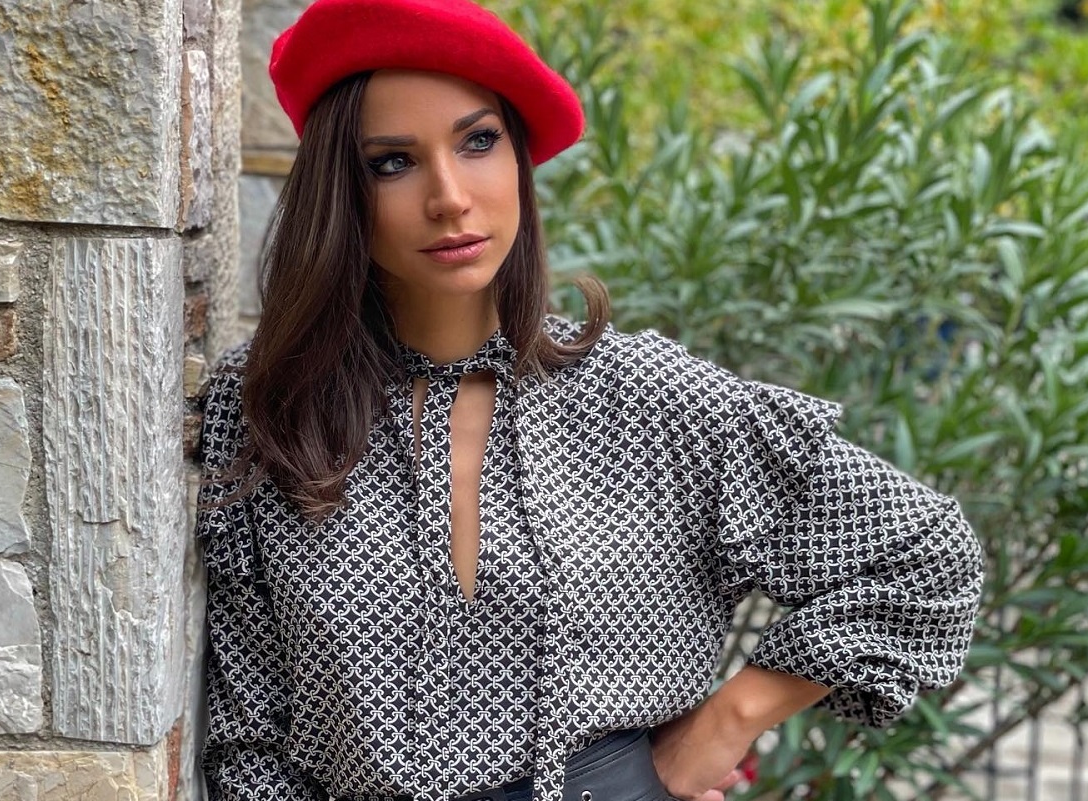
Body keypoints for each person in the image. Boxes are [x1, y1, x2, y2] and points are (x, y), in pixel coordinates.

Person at [195, 1, 985, 800]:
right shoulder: (272, 406)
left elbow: (926, 553)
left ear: (518, 157)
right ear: (341, 190)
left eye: (478, 141)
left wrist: (726, 722)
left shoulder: (649, 399)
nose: (450, 196)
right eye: (392, 162)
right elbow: (249, 735)